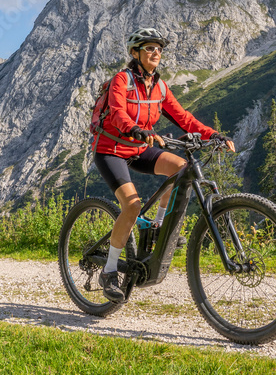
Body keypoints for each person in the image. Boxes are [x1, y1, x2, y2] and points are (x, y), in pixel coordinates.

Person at [92, 27, 235, 302]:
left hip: (139, 148)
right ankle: (109, 270)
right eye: (149, 48)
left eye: (158, 48)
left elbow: (184, 118)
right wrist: (134, 128)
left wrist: (213, 134)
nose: (155, 52)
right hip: (110, 149)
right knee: (132, 206)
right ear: (135, 53)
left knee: (181, 168)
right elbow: (119, 111)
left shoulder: (159, 87)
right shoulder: (122, 80)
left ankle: (158, 227)